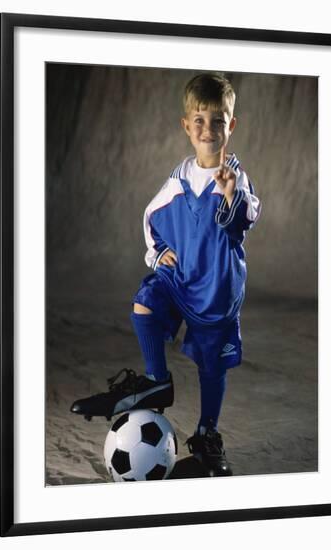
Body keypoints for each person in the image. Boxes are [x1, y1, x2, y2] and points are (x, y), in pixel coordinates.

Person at [71, 73, 261, 477]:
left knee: (212, 367)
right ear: (186, 126)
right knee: (145, 303)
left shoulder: (235, 177)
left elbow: (245, 219)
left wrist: (231, 196)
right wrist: (157, 255)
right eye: (199, 120)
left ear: (232, 125)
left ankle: (207, 433)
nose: (208, 129)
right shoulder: (178, 179)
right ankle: (157, 380)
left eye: (217, 120)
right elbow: (150, 217)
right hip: (181, 283)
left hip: (216, 294)